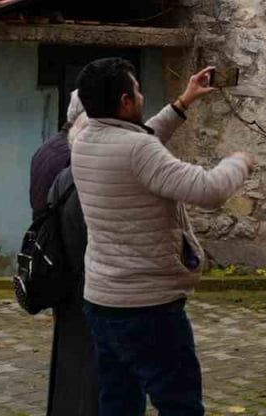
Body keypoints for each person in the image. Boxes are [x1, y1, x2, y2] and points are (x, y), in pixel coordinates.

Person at [72, 58, 253, 415]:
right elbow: (209, 190)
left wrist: (184, 101)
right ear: (125, 101)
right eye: (138, 91)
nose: (142, 96)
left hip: (102, 301)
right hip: (148, 307)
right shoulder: (137, 151)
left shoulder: (84, 140)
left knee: (118, 402)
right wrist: (239, 162)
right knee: (179, 404)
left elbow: (139, 139)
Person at [30, 91, 98, 416]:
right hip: (75, 267)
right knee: (87, 359)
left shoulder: (45, 149)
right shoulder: (75, 155)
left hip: (53, 262)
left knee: (68, 354)